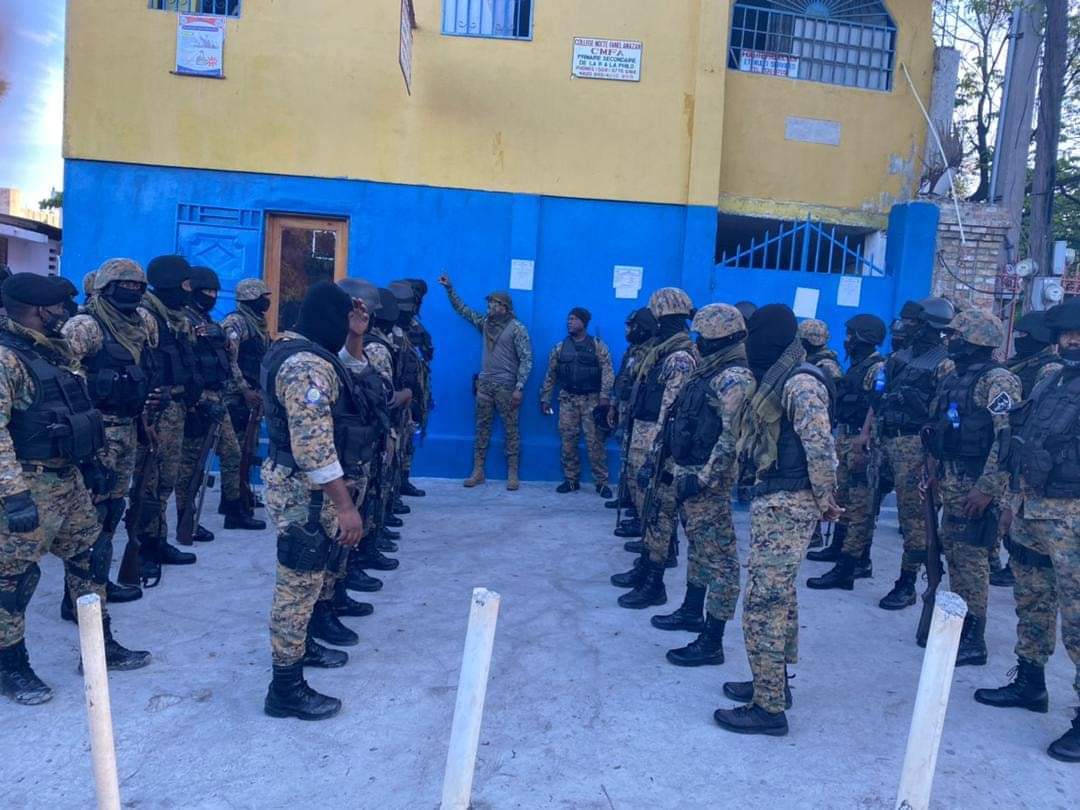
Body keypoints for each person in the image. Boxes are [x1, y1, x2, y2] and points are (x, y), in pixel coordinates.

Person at [0, 273, 149, 705]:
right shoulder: (8, 359)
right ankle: (11, 666)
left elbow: (75, 414)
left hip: (67, 480)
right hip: (28, 483)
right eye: (57, 308)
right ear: (39, 311)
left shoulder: (50, 352)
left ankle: (98, 647)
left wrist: (92, 466)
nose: (65, 314)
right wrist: (13, 495)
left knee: (92, 555)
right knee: (14, 580)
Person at [713, 303, 839, 737]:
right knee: (779, 597)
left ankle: (768, 710)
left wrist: (825, 499)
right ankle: (773, 683)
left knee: (764, 602)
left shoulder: (799, 382)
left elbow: (819, 443)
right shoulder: (777, 378)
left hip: (791, 501)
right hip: (777, 498)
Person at [974, 300, 1080, 762]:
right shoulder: (1051, 379)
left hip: (1073, 519)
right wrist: (1009, 503)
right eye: (1067, 334)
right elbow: (1020, 440)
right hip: (1033, 511)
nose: (1073, 341)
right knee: (1032, 599)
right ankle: (1030, 682)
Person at [261, 281, 367, 721]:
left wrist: (356, 334)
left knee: (311, 578)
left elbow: (351, 374)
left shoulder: (304, 351)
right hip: (305, 493)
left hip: (305, 488)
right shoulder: (305, 367)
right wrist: (345, 507)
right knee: (297, 586)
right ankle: (285, 688)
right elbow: (314, 450)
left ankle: (302, 647)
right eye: (345, 319)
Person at [653, 304, 756, 669]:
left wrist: (703, 479)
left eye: (703, 337)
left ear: (722, 339)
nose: (697, 342)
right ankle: (691, 610)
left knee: (721, 561)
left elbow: (731, 438)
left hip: (707, 480)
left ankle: (712, 641)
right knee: (699, 549)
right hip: (690, 471)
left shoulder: (734, 377)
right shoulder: (710, 369)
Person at [61, 258, 162, 611]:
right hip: (97, 431)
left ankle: (98, 582)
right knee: (90, 512)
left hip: (130, 426)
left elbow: (147, 369)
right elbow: (63, 378)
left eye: (138, 286)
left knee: (114, 508)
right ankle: (75, 597)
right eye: (125, 285)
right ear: (106, 287)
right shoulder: (85, 326)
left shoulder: (144, 322)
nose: (132, 291)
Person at [925, 309, 1021, 666]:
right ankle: (958, 625)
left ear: (976, 340)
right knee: (955, 553)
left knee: (971, 559)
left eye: (957, 336)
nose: (950, 341)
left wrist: (987, 488)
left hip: (975, 482)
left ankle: (973, 637)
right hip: (952, 477)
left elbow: (1005, 439)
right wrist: (934, 470)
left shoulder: (998, 380)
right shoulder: (955, 375)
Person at [614, 288, 698, 609]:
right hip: (646, 437)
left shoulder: (679, 358)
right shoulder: (661, 352)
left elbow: (670, 410)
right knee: (647, 509)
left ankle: (654, 581)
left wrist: (655, 453)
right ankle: (646, 566)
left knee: (656, 511)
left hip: (658, 445)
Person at [870, 298, 955, 611]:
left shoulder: (945, 363)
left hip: (916, 447)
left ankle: (908, 582)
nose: (905, 327)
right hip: (887, 440)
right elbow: (880, 398)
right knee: (867, 503)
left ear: (929, 325)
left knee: (915, 520)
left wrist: (932, 460)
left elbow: (946, 416)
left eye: (913, 322)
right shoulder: (900, 356)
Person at [175, 267, 265, 535]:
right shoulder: (185, 321)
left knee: (233, 453)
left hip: (217, 397)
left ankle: (234, 508)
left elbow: (224, 357)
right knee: (191, 462)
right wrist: (241, 389)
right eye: (207, 291)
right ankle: (185, 517)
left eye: (215, 291)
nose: (212, 296)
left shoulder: (208, 320)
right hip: (197, 400)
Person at [134, 255, 204, 580]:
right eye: (186, 284)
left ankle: (159, 540)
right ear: (170, 284)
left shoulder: (178, 319)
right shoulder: (146, 317)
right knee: (148, 481)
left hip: (176, 407)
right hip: (153, 410)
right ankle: (142, 547)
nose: (190, 291)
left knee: (166, 480)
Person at [806, 314, 887, 590]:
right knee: (843, 497)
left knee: (860, 506)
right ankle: (838, 548)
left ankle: (849, 567)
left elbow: (876, 407)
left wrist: (865, 440)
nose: (847, 340)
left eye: (851, 334)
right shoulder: (857, 366)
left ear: (864, 337)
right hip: (846, 436)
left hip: (861, 441)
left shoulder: (877, 368)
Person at [438, 273, 532, 490]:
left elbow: (527, 359)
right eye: (489, 303)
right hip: (485, 386)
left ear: (504, 308)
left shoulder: (517, 329)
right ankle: (478, 471)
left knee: (511, 430)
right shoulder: (485, 324)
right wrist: (450, 289)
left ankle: (512, 473)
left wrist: (519, 387)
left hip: (506, 387)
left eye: (494, 303)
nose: (489, 306)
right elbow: (463, 310)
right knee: (482, 429)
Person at [991, 311, 1063, 587]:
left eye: (1025, 335)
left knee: (1014, 513)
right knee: (1002, 512)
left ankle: (1014, 565)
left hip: (1027, 452)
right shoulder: (1018, 364)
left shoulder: (1049, 368)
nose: (1019, 339)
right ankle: (1001, 560)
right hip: (1009, 446)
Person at [540, 307, 616, 497]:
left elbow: (608, 372)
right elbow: (550, 375)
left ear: (584, 322)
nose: (569, 322)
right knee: (568, 442)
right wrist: (545, 398)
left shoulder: (597, 346)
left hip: (592, 401)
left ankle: (601, 483)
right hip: (568, 400)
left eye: (574, 319)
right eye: (568, 319)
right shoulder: (560, 348)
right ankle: (571, 480)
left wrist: (605, 397)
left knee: (595, 443)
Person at [222, 277, 273, 518]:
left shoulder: (258, 324)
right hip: (236, 396)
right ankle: (232, 500)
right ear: (251, 297)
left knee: (248, 450)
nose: (266, 301)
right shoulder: (236, 322)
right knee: (235, 452)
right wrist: (244, 389)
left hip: (253, 395)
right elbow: (230, 360)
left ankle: (242, 492)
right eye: (263, 297)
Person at [609, 307, 658, 535]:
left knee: (638, 461)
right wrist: (613, 404)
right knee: (626, 457)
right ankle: (628, 498)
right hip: (626, 408)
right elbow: (622, 378)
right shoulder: (632, 350)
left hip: (642, 414)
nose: (628, 331)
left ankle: (641, 513)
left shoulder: (653, 352)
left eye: (632, 326)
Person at [399, 278, 433, 498]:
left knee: (409, 440)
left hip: (417, 392)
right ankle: (392, 489)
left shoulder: (415, 325)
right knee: (396, 442)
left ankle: (402, 481)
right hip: (401, 394)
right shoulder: (395, 326)